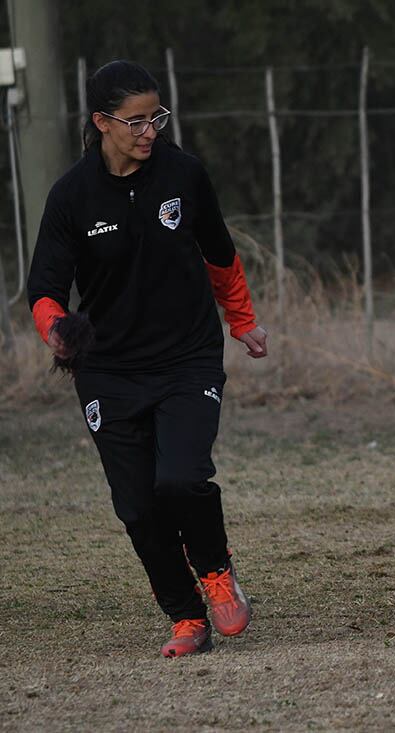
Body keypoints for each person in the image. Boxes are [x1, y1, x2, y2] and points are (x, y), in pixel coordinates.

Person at [26, 60, 267, 658]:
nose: (149, 130)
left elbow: (219, 253)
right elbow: (46, 288)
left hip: (188, 357)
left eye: (157, 116)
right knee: (136, 505)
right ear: (101, 121)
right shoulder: (71, 196)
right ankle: (185, 617)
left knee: (181, 479)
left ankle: (215, 570)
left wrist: (243, 321)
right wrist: (55, 329)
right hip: (109, 369)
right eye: (136, 120)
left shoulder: (184, 175)